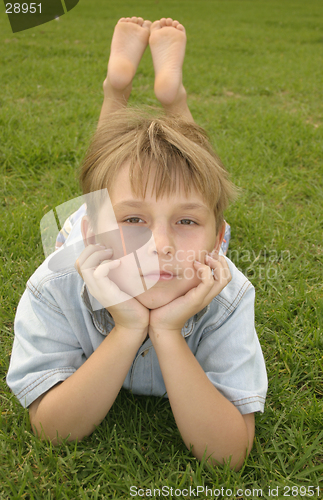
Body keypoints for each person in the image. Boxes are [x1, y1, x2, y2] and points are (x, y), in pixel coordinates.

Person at [6, 17, 267, 470]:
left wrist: (166, 331)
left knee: (188, 181)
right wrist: (128, 328)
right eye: (136, 221)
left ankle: (171, 99)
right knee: (111, 172)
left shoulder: (226, 293)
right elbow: (51, 429)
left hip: (159, 240)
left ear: (218, 241)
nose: (161, 244)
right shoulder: (56, 284)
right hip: (99, 240)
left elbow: (228, 455)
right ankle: (117, 94)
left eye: (185, 222)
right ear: (89, 235)